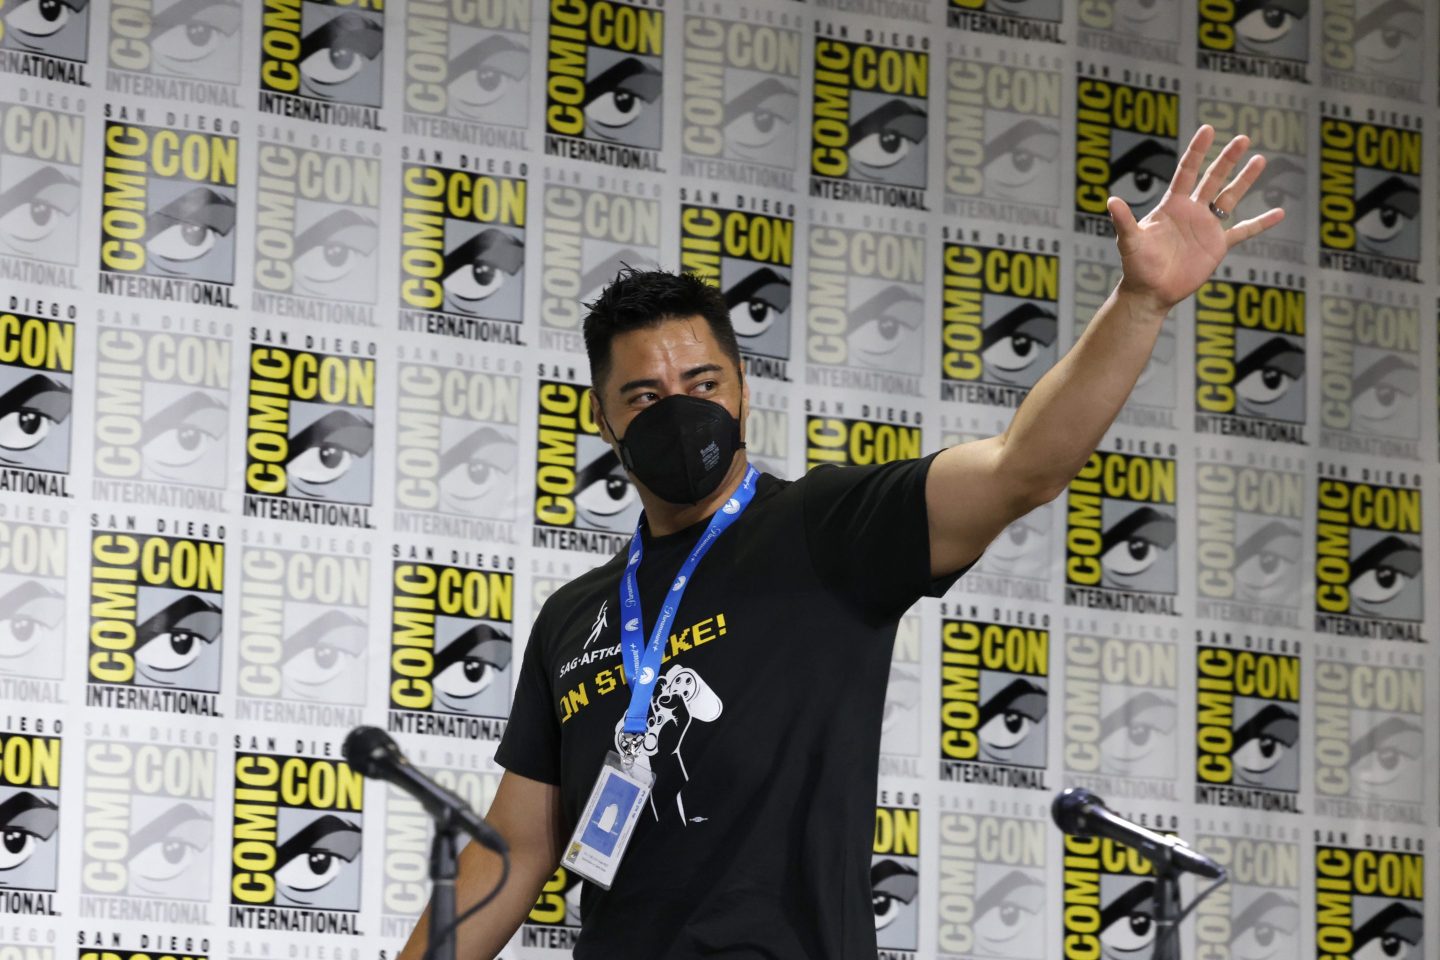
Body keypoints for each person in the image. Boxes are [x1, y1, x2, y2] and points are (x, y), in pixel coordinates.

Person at [397, 125, 1285, 958]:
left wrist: (1140, 302)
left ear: (744, 391)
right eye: (645, 396)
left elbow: (1025, 467)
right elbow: (513, 850)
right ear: (604, 420)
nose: (679, 409)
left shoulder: (827, 527)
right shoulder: (574, 616)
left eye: (702, 381)